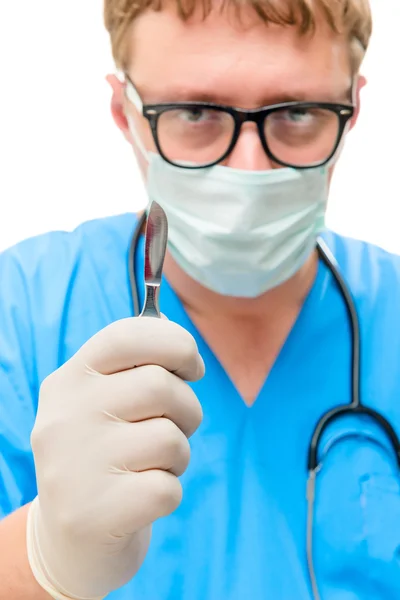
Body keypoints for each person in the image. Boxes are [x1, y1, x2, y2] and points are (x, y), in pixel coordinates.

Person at [1, 0, 400, 598]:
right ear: (125, 112)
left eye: (296, 113)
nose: (249, 169)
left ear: (352, 111)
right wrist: (45, 558)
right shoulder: (24, 307)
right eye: (194, 112)